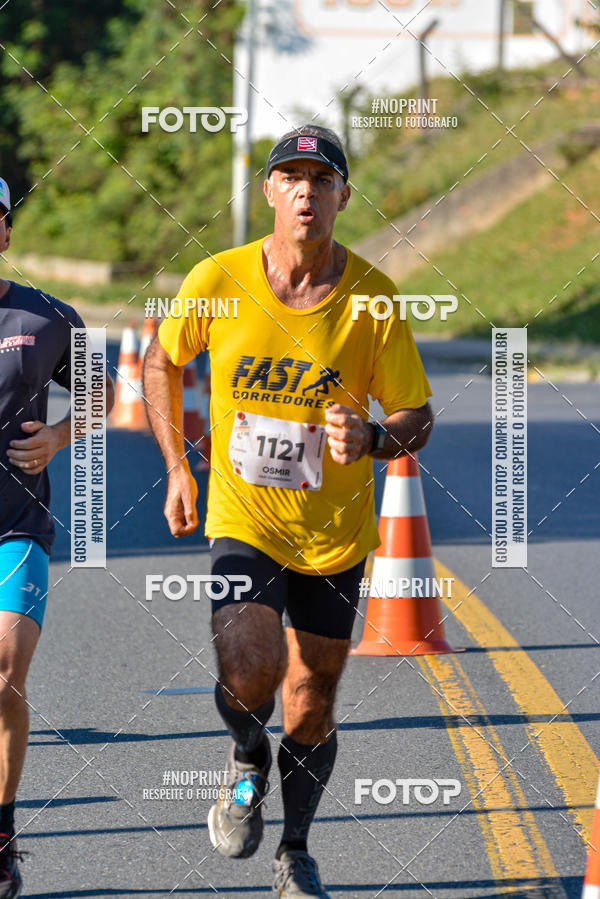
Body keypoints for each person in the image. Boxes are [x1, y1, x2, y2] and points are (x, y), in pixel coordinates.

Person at [143, 124, 434, 897]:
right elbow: (163, 359)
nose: (306, 189)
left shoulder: (373, 298)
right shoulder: (218, 278)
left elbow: (418, 416)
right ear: (269, 191)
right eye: (291, 176)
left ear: (343, 194)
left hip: (334, 536)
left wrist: (373, 435)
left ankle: (295, 850)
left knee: (310, 702)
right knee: (250, 671)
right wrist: (178, 466)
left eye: (322, 177)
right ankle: (245, 756)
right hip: (244, 517)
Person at [0, 177, 114, 898]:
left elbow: (104, 390)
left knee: (5, 669)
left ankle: (1, 834)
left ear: (6, 231)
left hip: (17, 523)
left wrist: (64, 434)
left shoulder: (42, 317)